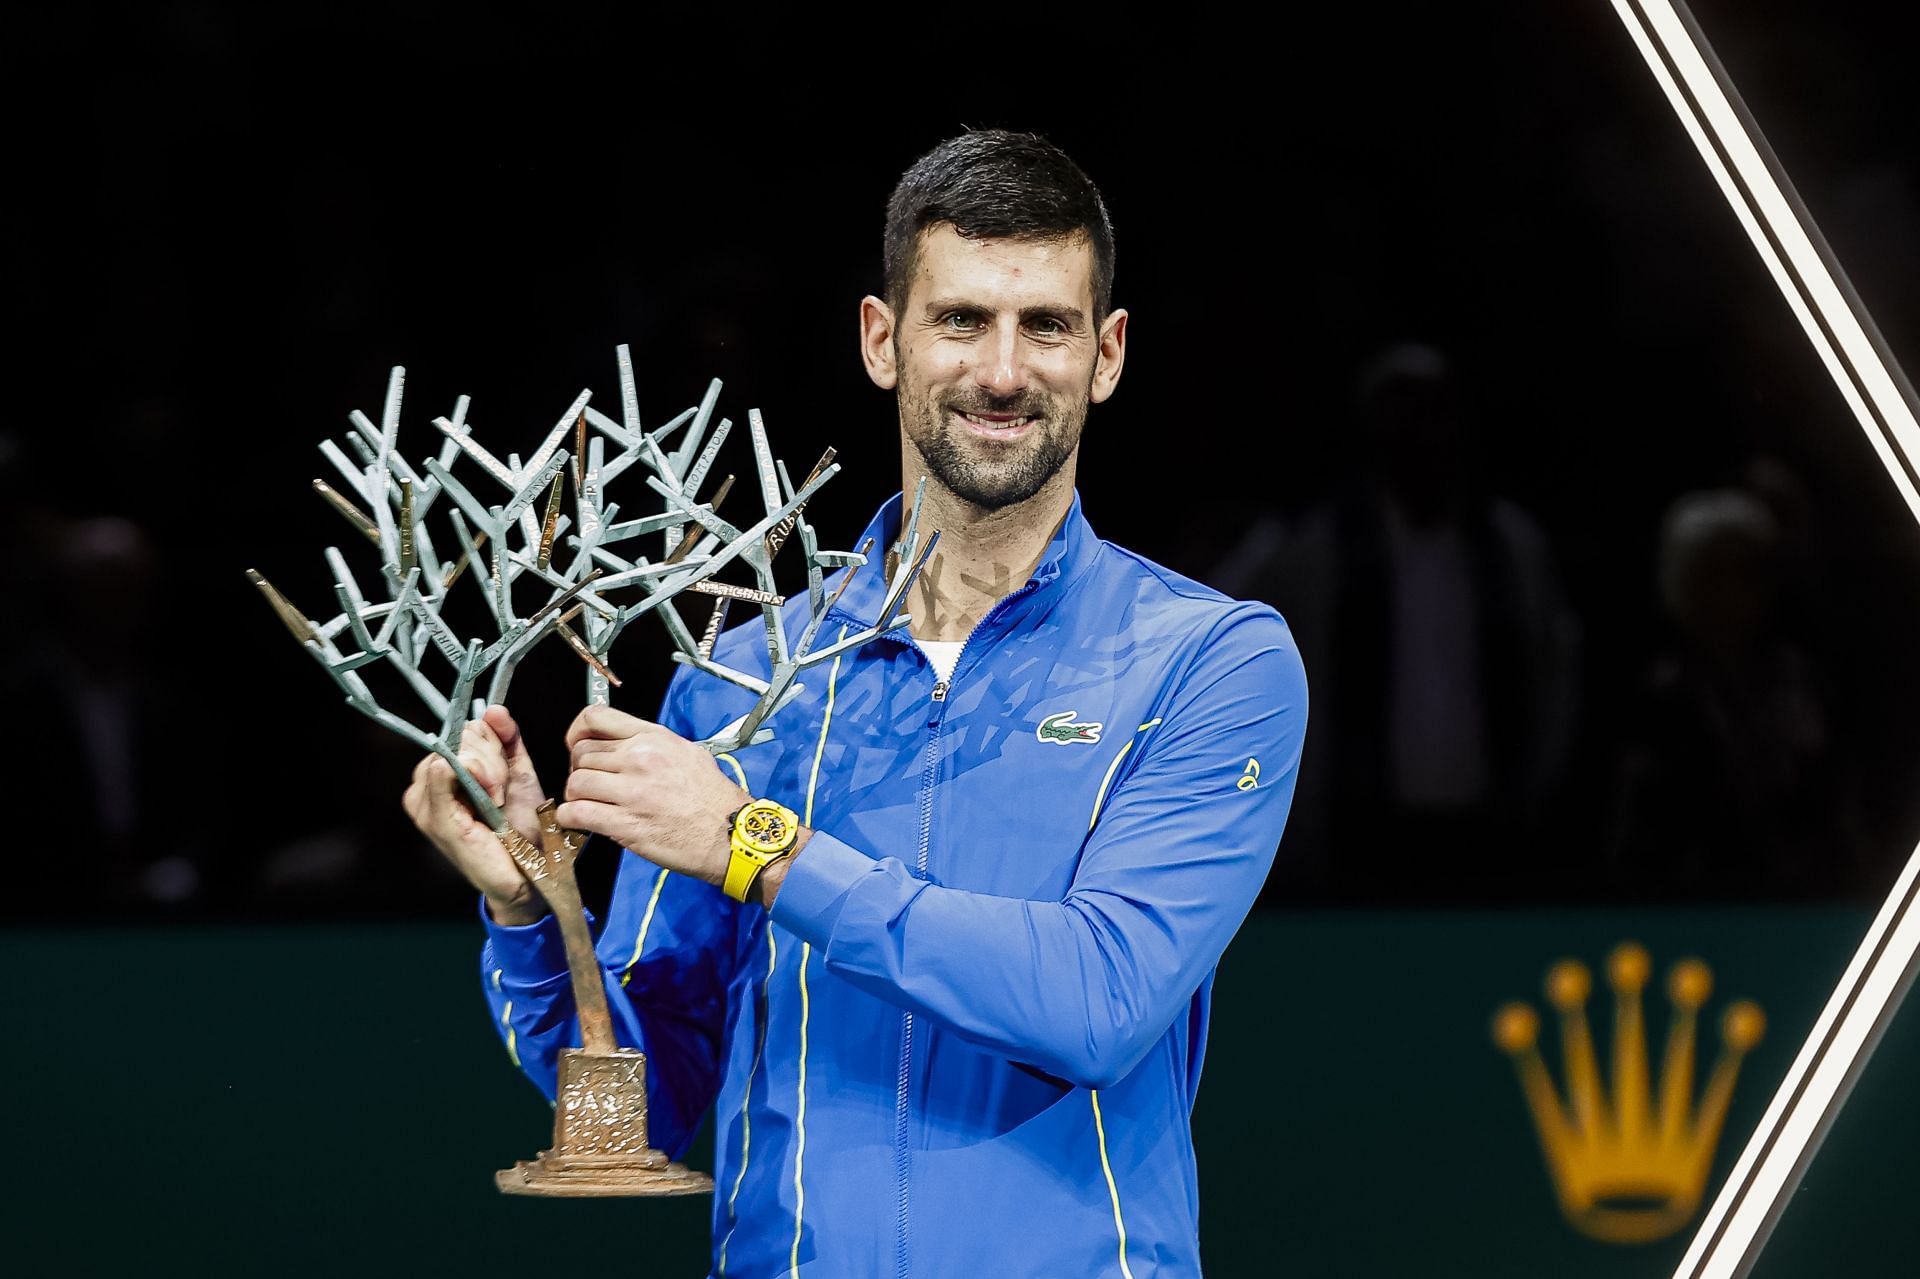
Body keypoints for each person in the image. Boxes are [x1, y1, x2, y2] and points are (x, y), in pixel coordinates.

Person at [403, 130, 1307, 1278]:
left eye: (1048, 326)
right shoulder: (736, 682)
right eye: (963, 319)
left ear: (1109, 353)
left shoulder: (1209, 662)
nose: (1002, 371)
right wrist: (538, 921)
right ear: (884, 339)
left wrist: (756, 847)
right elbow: (646, 1106)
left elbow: (1098, 998)